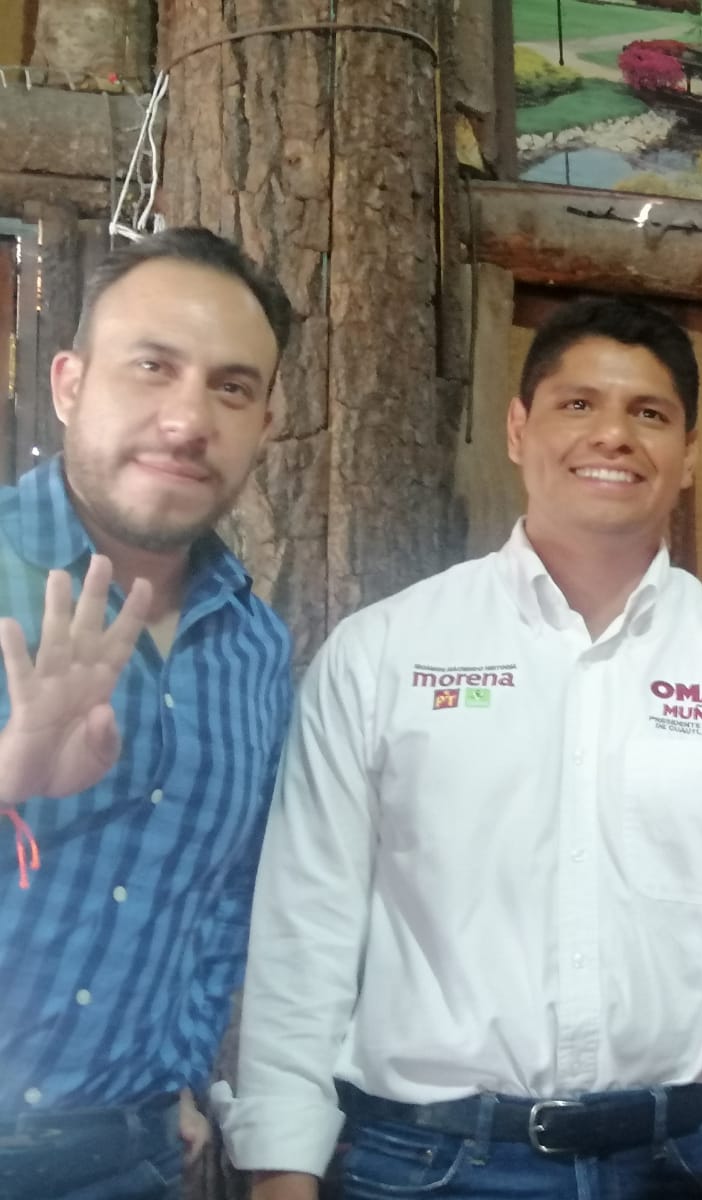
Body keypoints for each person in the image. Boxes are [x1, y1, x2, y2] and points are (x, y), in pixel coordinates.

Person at [219, 297, 702, 1200]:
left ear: (690, 455)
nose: (614, 435)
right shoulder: (386, 651)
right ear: (519, 429)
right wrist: (280, 1170)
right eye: (578, 405)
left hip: (684, 1160)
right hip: (428, 1164)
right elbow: (307, 923)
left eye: (650, 413)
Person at [0, 228, 295, 1200]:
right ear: (70, 382)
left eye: (231, 387)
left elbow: (220, 895)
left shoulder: (255, 647)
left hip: (128, 1160)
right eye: (152, 368)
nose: (187, 418)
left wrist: (183, 1070)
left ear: (265, 421)